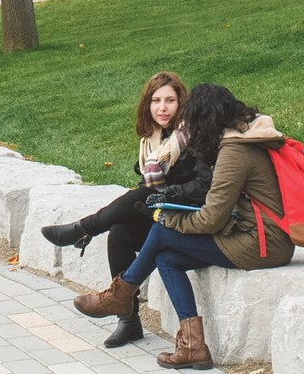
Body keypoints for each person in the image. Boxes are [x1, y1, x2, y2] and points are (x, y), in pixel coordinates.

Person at [72, 84, 293, 370]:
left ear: (206, 119)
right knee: (167, 258)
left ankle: (120, 295)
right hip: (257, 235)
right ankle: (193, 347)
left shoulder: (235, 151)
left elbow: (212, 218)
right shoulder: (242, 139)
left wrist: (166, 219)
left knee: (163, 233)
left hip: (262, 244)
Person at [42, 72, 213, 347]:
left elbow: (202, 187)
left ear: (182, 102)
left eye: (170, 100)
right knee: (120, 232)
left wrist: (162, 194)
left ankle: (83, 229)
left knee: (146, 193)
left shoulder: (195, 135)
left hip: (190, 217)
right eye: (156, 100)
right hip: (164, 215)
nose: (163, 107)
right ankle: (129, 321)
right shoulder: (152, 141)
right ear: (148, 105)